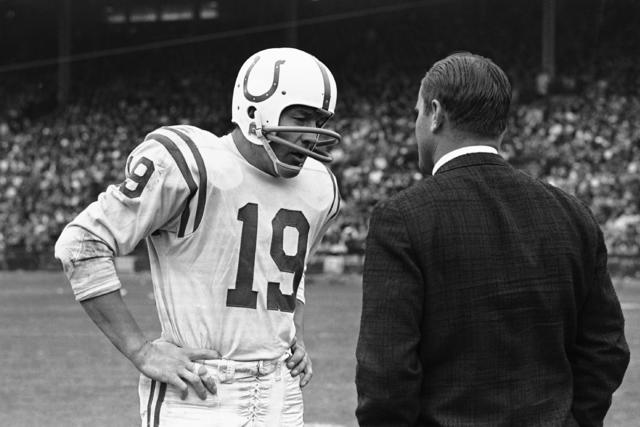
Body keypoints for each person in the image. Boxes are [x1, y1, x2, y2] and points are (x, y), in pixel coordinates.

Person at [55, 47, 341, 426]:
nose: (311, 136)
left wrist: (294, 333)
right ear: (257, 109)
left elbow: (293, 270)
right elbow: (81, 245)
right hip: (200, 390)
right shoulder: (192, 161)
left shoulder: (319, 186)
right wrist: (140, 350)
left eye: (318, 123)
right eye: (302, 118)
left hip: (280, 393)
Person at [355, 52, 629, 426]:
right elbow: (606, 348)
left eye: (417, 113)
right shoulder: (572, 214)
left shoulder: (401, 219)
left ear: (436, 113)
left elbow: (386, 379)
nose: (416, 124)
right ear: (501, 126)